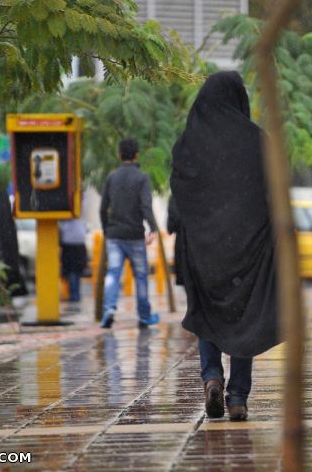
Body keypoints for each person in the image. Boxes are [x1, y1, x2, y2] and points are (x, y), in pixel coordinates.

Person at [170, 71, 278, 422]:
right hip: (245, 248)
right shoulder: (256, 141)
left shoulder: (188, 144)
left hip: (202, 249)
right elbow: (271, 195)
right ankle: (236, 397)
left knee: (207, 314)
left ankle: (212, 376)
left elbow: (180, 196)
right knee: (242, 318)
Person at [99, 138, 159, 329]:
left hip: (114, 235)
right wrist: (153, 228)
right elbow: (145, 206)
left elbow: (102, 208)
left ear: (119, 155)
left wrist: (107, 230)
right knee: (140, 277)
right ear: (136, 155)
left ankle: (109, 309)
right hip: (134, 235)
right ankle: (143, 316)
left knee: (113, 274)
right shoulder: (142, 178)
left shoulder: (111, 177)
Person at [59, 217, 87, 303]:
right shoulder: (79, 211)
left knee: (71, 271)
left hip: (68, 242)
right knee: (76, 271)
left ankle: (73, 295)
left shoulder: (66, 214)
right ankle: (76, 294)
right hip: (79, 242)